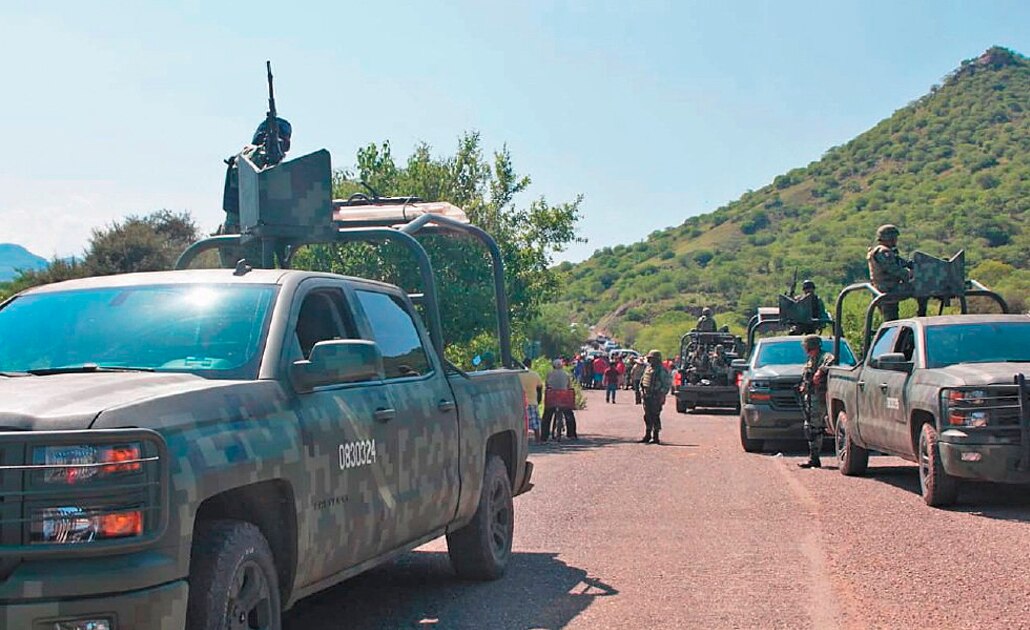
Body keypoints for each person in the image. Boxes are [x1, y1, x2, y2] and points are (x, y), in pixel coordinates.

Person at [219, 117, 293, 266]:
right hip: (245, 233)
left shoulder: (269, 169)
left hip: (248, 232)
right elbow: (252, 160)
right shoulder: (250, 154)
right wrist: (266, 153)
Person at [867, 224, 925, 321]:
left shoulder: (885, 251)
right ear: (889, 238)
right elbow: (895, 270)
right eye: (894, 238)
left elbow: (901, 263)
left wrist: (911, 265)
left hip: (886, 288)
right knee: (921, 288)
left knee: (891, 318)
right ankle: (922, 315)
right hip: (887, 289)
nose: (896, 240)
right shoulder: (883, 252)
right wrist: (911, 277)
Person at [797, 335, 834, 468]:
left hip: (819, 397)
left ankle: (814, 458)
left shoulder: (825, 356)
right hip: (811, 397)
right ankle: (814, 457)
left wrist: (820, 371)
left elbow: (831, 362)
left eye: (807, 346)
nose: (806, 349)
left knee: (814, 428)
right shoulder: (811, 359)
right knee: (810, 427)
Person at [639, 350, 673, 444]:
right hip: (647, 396)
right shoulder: (648, 369)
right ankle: (647, 434)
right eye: (649, 359)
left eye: (652, 359)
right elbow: (642, 381)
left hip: (656, 396)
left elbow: (666, 384)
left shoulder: (661, 370)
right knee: (647, 416)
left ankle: (656, 436)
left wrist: (662, 394)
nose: (650, 360)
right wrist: (641, 391)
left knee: (655, 416)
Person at [542, 359, 578, 441]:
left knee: (547, 417)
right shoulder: (566, 374)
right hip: (564, 397)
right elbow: (569, 385)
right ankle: (572, 434)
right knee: (569, 415)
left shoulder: (549, 374)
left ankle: (544, 436)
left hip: (552, 397)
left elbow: (547, 384)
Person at [518, 357, 543, 442]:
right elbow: (540, 388)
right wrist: (539, 400)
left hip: (521, 402)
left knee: (522, 423)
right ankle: (538, 440)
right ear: (530, 365)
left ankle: (523, 441)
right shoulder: (535, 375)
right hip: (532, 401)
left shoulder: (518, 375)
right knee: (535, 423)